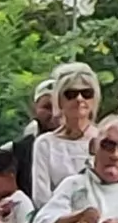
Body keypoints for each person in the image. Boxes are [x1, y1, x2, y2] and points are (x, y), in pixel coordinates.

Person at [28, 65, 101, 209]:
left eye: (86, 93)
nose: (79, 99)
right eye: (71, 94)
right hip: (55, 217)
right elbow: (41, 197)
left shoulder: (103, 140)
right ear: (59, 100)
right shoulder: (44, 144)